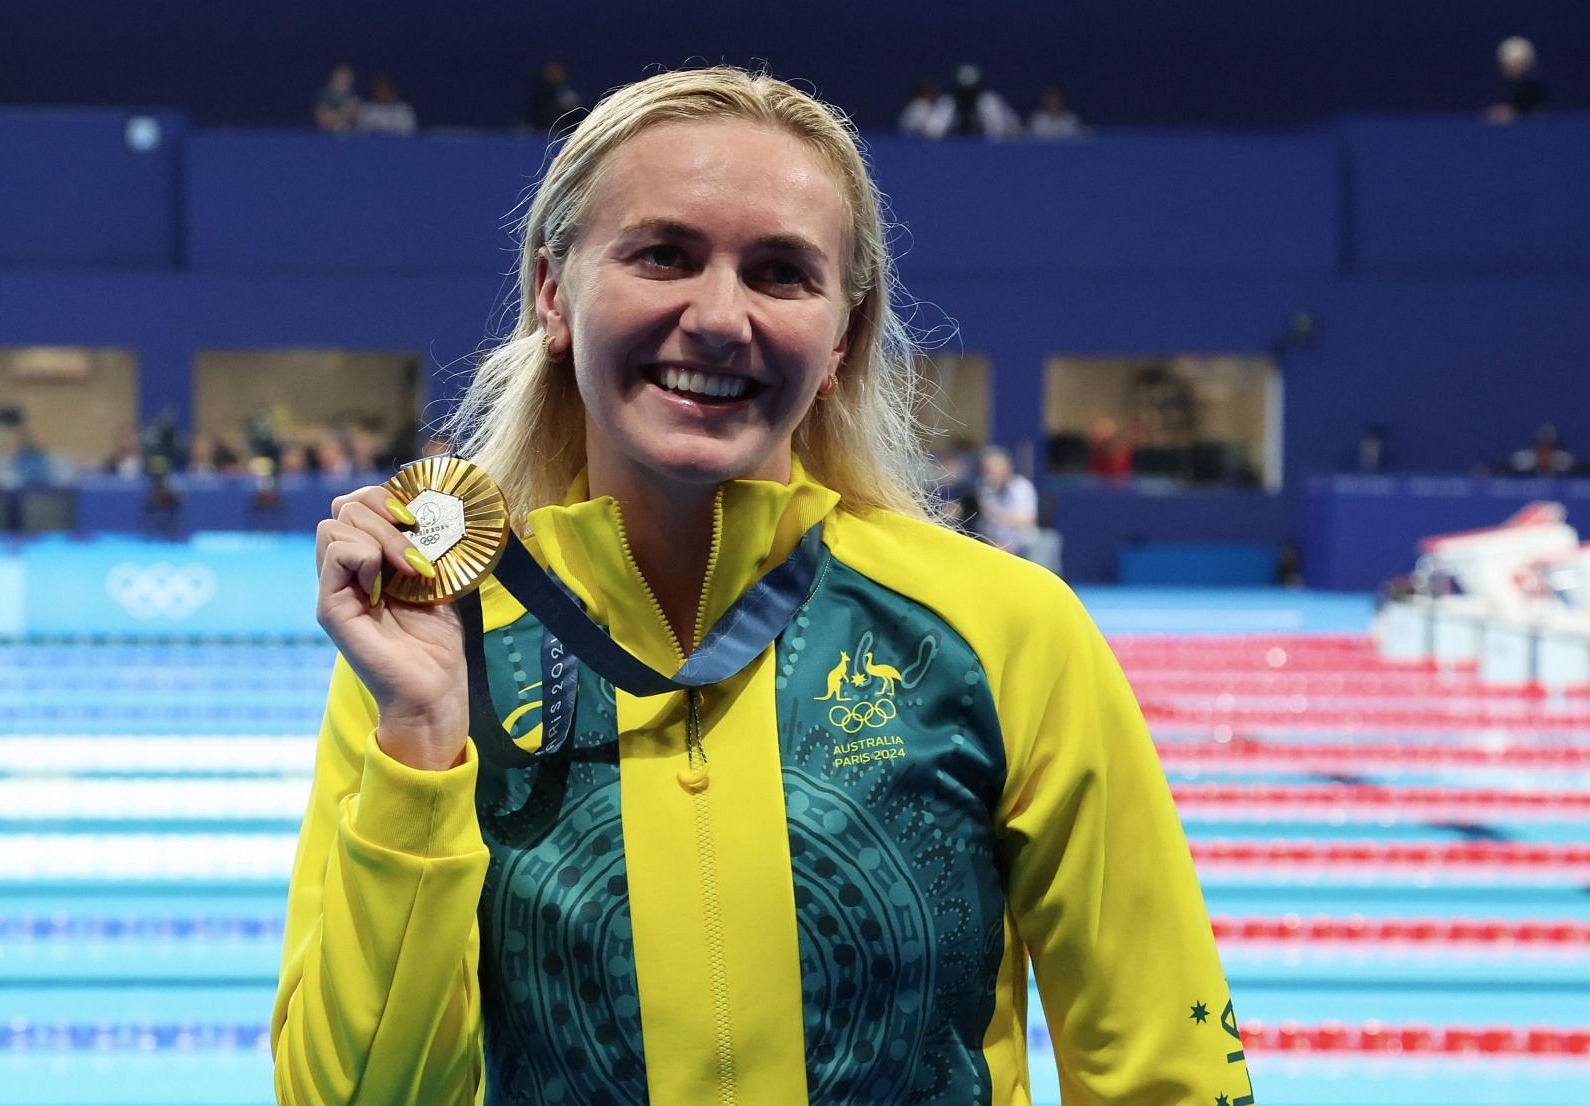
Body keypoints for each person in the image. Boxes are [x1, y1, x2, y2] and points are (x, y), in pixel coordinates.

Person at [275, 66, 1247, 1106]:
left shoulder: (1001, 629)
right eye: (663, 254)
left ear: (841, 338)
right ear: (554, 292)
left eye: (781, 272)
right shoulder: (439, 645)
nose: (720, 316)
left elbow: (1172, 1060)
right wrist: (421, 737)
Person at [946, 63, 1020, 139]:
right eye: (964, 90)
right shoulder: (949, 102)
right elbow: (935, 130)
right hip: (955, 147)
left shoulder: (990, 101)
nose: (968, 94)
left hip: (990, 148)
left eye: (971, 89)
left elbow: (1013, 126)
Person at [1487, 36, 1547, 124]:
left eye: (1516, 62)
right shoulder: (1505, 87)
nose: (1511, 66)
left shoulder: (1533, 88)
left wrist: (1512, 113)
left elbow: (1537, 114)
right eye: (1507, 63)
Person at [314, 63, 360, 133]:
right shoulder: (324, 94)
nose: (343, 80)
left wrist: (346, 115)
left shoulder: (352, 96)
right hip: (325, 132)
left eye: (345, 78)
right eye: (341, 77)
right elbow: (321, 116)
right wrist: (338, 117)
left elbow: (354, 115)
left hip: (347, 130)